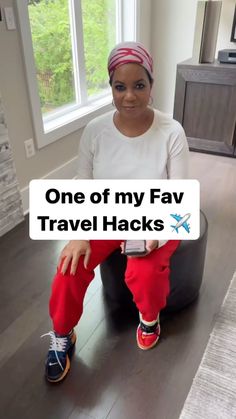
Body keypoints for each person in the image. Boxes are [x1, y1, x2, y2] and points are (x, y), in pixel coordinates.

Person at [43, 41, 189, 383]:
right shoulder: (95, 130)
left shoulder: (172, 132)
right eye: (119, 86)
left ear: (152, 86)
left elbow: (179, 195)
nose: (129, 96)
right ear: (110, 87)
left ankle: (149, 319)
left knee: (143, 269)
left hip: (156, 216)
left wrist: (156, 232)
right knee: (68, 266)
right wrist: (79, 233)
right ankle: (62, 334)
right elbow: (83, 184)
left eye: (139, 85)